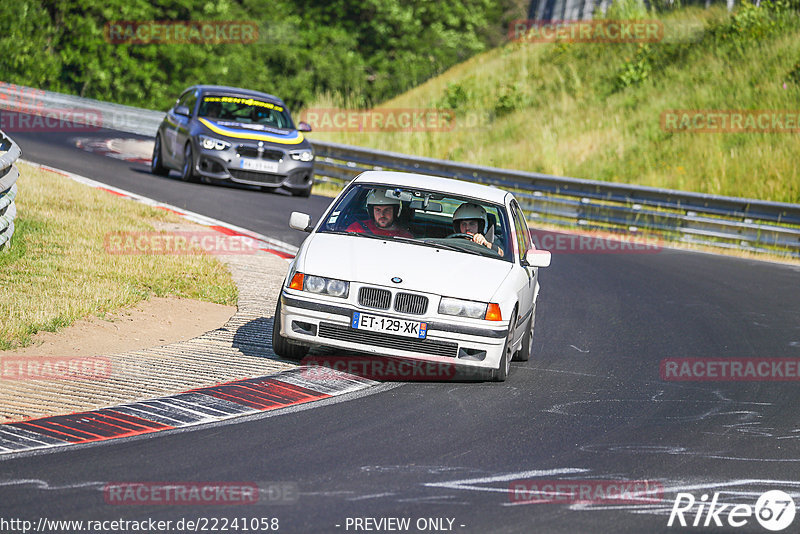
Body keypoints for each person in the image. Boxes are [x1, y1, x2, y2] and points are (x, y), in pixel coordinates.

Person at [346, 189, 414, 238]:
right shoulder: (357, 228)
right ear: (371, 211)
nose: (382, 215)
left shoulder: (405, 237)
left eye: (387, 210)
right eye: (378, 210)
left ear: (396, 211)